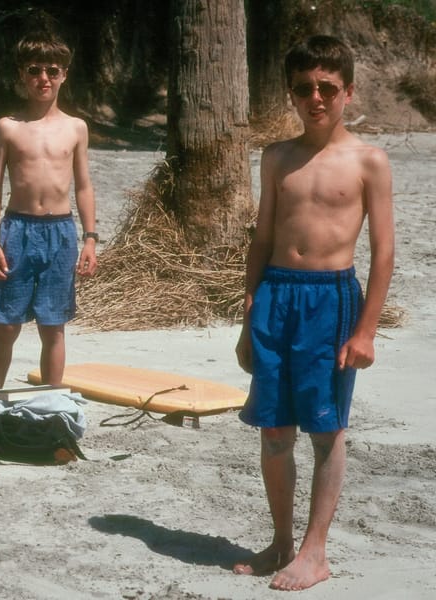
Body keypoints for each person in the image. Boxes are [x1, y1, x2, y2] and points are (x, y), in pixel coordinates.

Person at [233, 35, 394, 590]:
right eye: (304, 88)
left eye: (327, 87)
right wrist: (248, 313)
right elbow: (261, 238)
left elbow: (385, 251)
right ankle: (281, 541)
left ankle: (315, 550)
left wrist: (367, 330)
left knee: (326, 430)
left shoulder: (368, 161)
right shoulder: (277, 156)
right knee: (274, 429)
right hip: (276, 296)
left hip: (331, 301)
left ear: (348, 91)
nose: (316, 97)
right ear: (292, 96)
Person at [0, 30, 98, 390]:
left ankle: (50, 402)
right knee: (7, 324)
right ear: (22, 75)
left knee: (53, 325)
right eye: (34, 70)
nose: (43, 78)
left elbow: (83, 185)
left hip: (61, 233)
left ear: (64, 74)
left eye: (52, 70)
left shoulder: (76, 128)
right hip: (17, 230)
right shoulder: (8, 127)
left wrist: (90, 239)